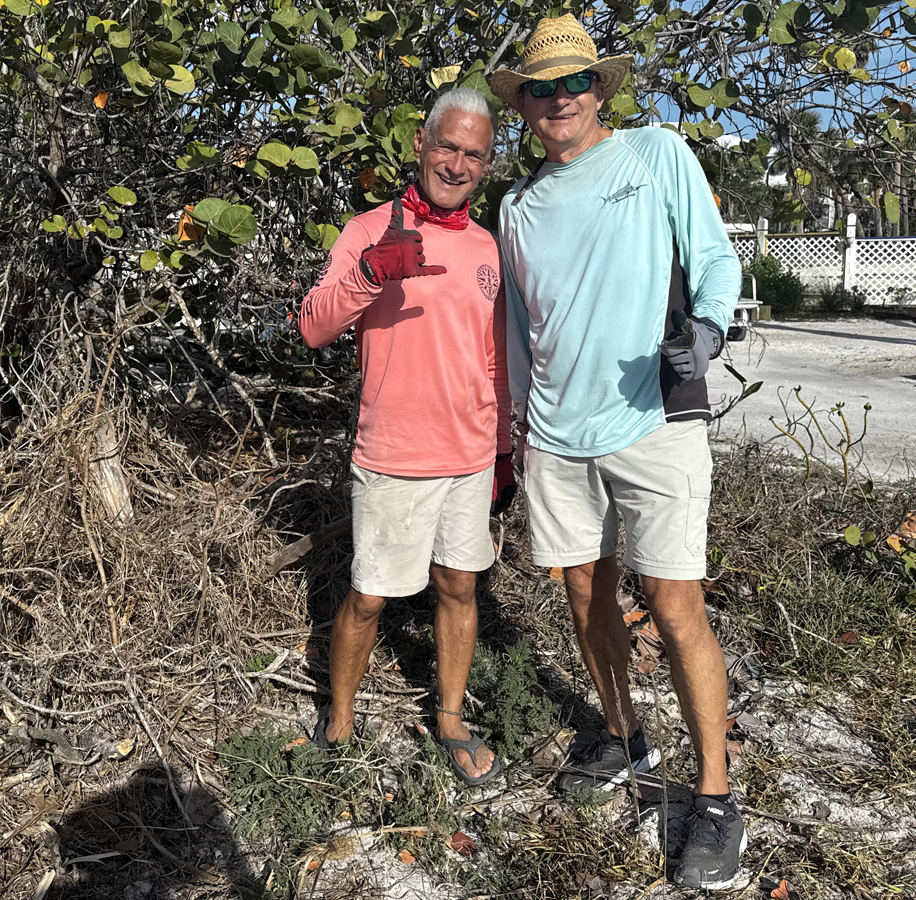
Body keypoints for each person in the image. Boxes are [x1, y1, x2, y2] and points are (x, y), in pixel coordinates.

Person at [490, 15, 745, 889]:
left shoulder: (657, 154)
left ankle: (713, 795)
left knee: (676, 608)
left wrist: (706, 330)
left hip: (654, 423)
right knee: (584, 598)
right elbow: (522, 331)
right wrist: (516, 427)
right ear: (520, 103)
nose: (559, 99)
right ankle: (625, 736)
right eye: (541, 87)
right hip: (555, 438)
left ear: (601, 89)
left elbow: (714, 260)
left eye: (575, 83)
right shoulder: (514, 206)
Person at [298, 88, 514, 787]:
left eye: (473, 154)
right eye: (447, 146)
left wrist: (505, 450)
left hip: (470, 454)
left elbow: (494, 356)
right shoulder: (368, 230)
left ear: (487, 164)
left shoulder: (488, 246)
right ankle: (338, 721)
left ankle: (449, 718)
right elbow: (312, 326)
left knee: (459, 586)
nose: (457, 163)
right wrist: (370, 274)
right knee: (370, 595)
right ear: (420, 143)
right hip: (393, 453)